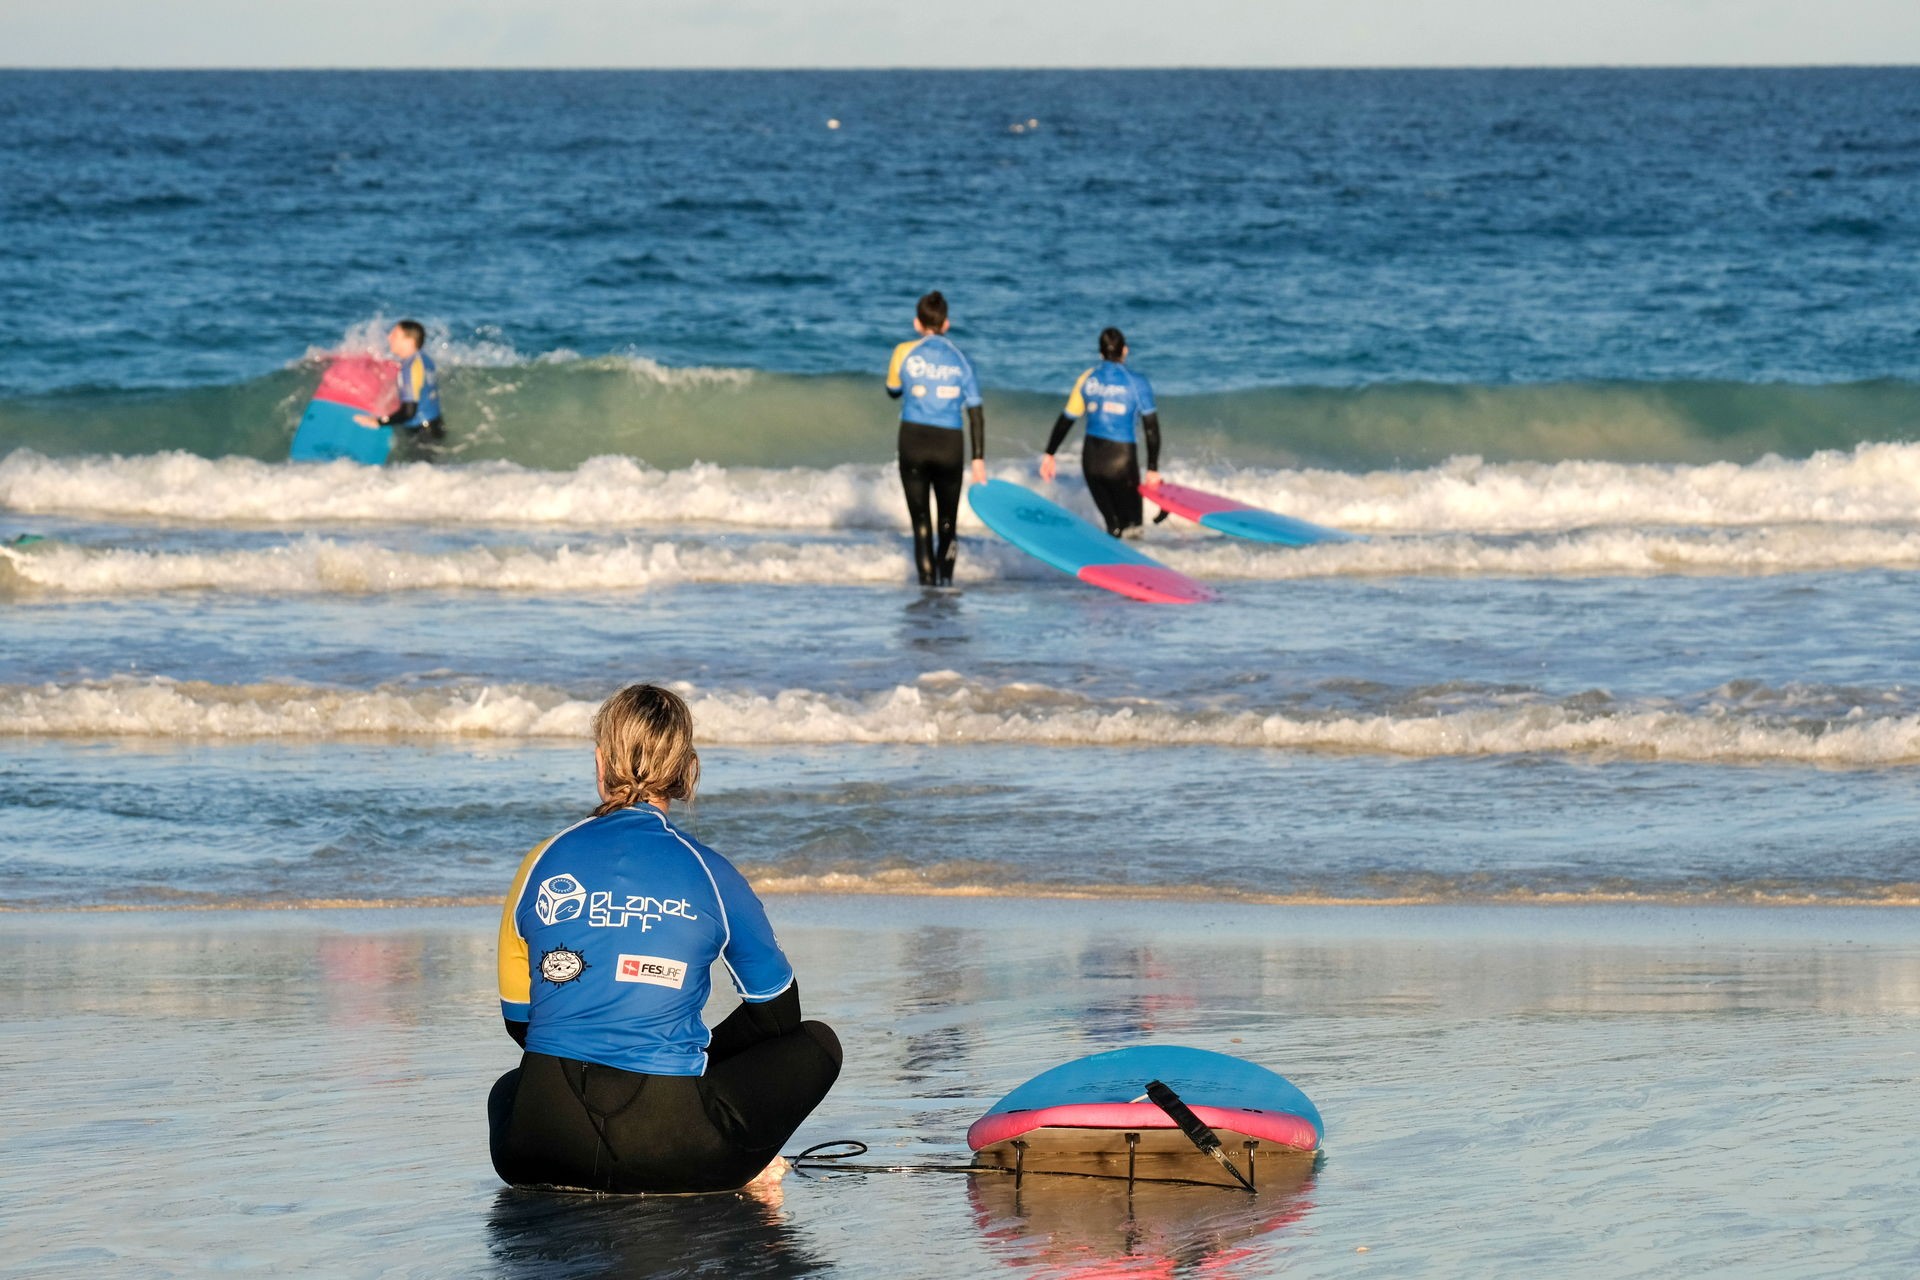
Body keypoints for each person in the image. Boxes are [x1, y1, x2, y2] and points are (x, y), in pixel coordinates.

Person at [488, 684, 842, 1195]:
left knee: (510, 1088)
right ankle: (748, 1165)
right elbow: (778, 1015)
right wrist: (698, 1055)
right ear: (687, 770)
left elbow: (521, 1023)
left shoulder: (539, 863)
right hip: (668, 1152)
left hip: (535, 1146)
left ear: (600, 760)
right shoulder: (711, 873)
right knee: (817, 1044)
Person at [885, 291, 987, 586]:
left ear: (918, 323)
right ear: (947, 324)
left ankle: (926, 585)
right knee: (948, 523)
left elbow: (892, 390)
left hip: (913, 441)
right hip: (949, 446)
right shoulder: (961, 359)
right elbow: (976, 411)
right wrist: (979, 458)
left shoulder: (904, 352)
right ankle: (946, 586)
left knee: (920, 523)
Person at [1039, 328, 1162, 537]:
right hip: (1122, 462)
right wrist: (1152, 469)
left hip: (1091, 462)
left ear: (1100, 354)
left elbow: (1066, 420)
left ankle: (1108, 561)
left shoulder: (1088, 379)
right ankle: (1128, 568)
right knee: (1133, 529)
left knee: (1112, 526)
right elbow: (1151, 428)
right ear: (1125, 350)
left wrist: (1049, 454)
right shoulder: (1137, 382)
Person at [354, 319, 445, 456]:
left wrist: (378, 422)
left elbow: (409, 411)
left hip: (422, 431)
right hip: (433, 425)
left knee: (419, 473)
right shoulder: (424, 359)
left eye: (395, 335)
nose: (389, 337)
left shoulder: (411, 366)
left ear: (409, 341)